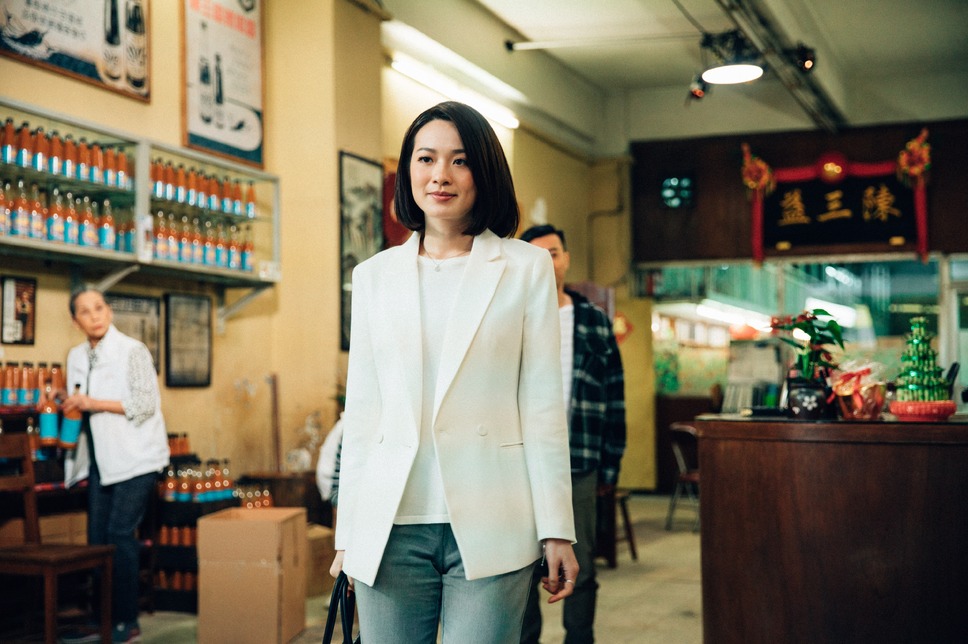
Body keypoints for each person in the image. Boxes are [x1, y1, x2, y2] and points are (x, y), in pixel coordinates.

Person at [329, 101, 579, 644]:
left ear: (482, 171)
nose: (440, 175)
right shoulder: (373, 277)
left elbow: (540, 407)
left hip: (493, 520)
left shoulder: (524, 268)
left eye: (459, 161)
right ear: (408, 171)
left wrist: (557, 528)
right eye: (426, 158)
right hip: (390, 525)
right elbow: (364, 412)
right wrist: (348, 534)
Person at [519, 224, 627, 644]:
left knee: (581, 567)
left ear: (566, 258)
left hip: (578, 460)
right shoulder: (514, 317)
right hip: (520, 462)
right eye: (536, 254)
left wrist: (610, 464)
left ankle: (579, 639)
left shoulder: (595, 323)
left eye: (554, 252)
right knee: (520, 568)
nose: (547, 261)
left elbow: (615, 397)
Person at [60, 288, 170, 644]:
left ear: (108, 310)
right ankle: (100, 618)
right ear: (75, 320)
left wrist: (90, 402)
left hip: (138, 458)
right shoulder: (76, 355)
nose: (95, 315)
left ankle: (126, 619)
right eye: (85, 311)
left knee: (120, 536)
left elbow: (143, 404)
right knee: (97, 540)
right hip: (101, 460)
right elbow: (79, 400)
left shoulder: (132, 350)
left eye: (100, 307)